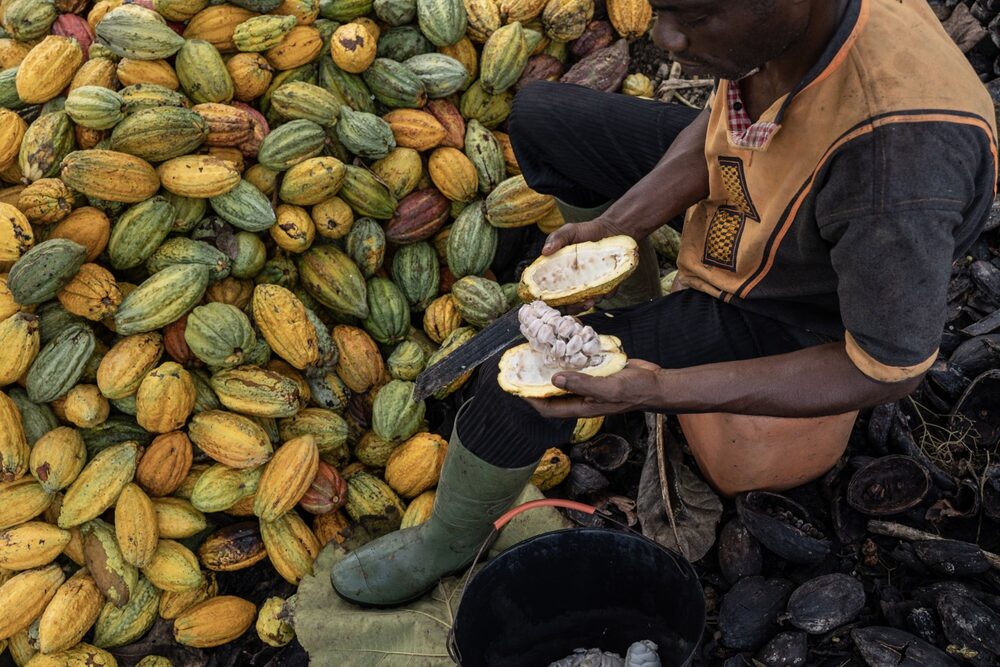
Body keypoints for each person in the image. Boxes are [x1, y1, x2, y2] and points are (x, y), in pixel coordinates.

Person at [332, 0, 998, 607]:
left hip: (792, 302)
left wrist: (659, 387)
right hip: (767, 189)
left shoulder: (893, 166)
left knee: (518, 380)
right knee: (543, 118)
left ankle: (446, 539)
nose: (665, 38)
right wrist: (615, 228)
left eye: (697, 18)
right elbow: (722, 132)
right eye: (661, 8)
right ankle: (625, 297)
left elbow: (886, 366)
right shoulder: (784, 33)